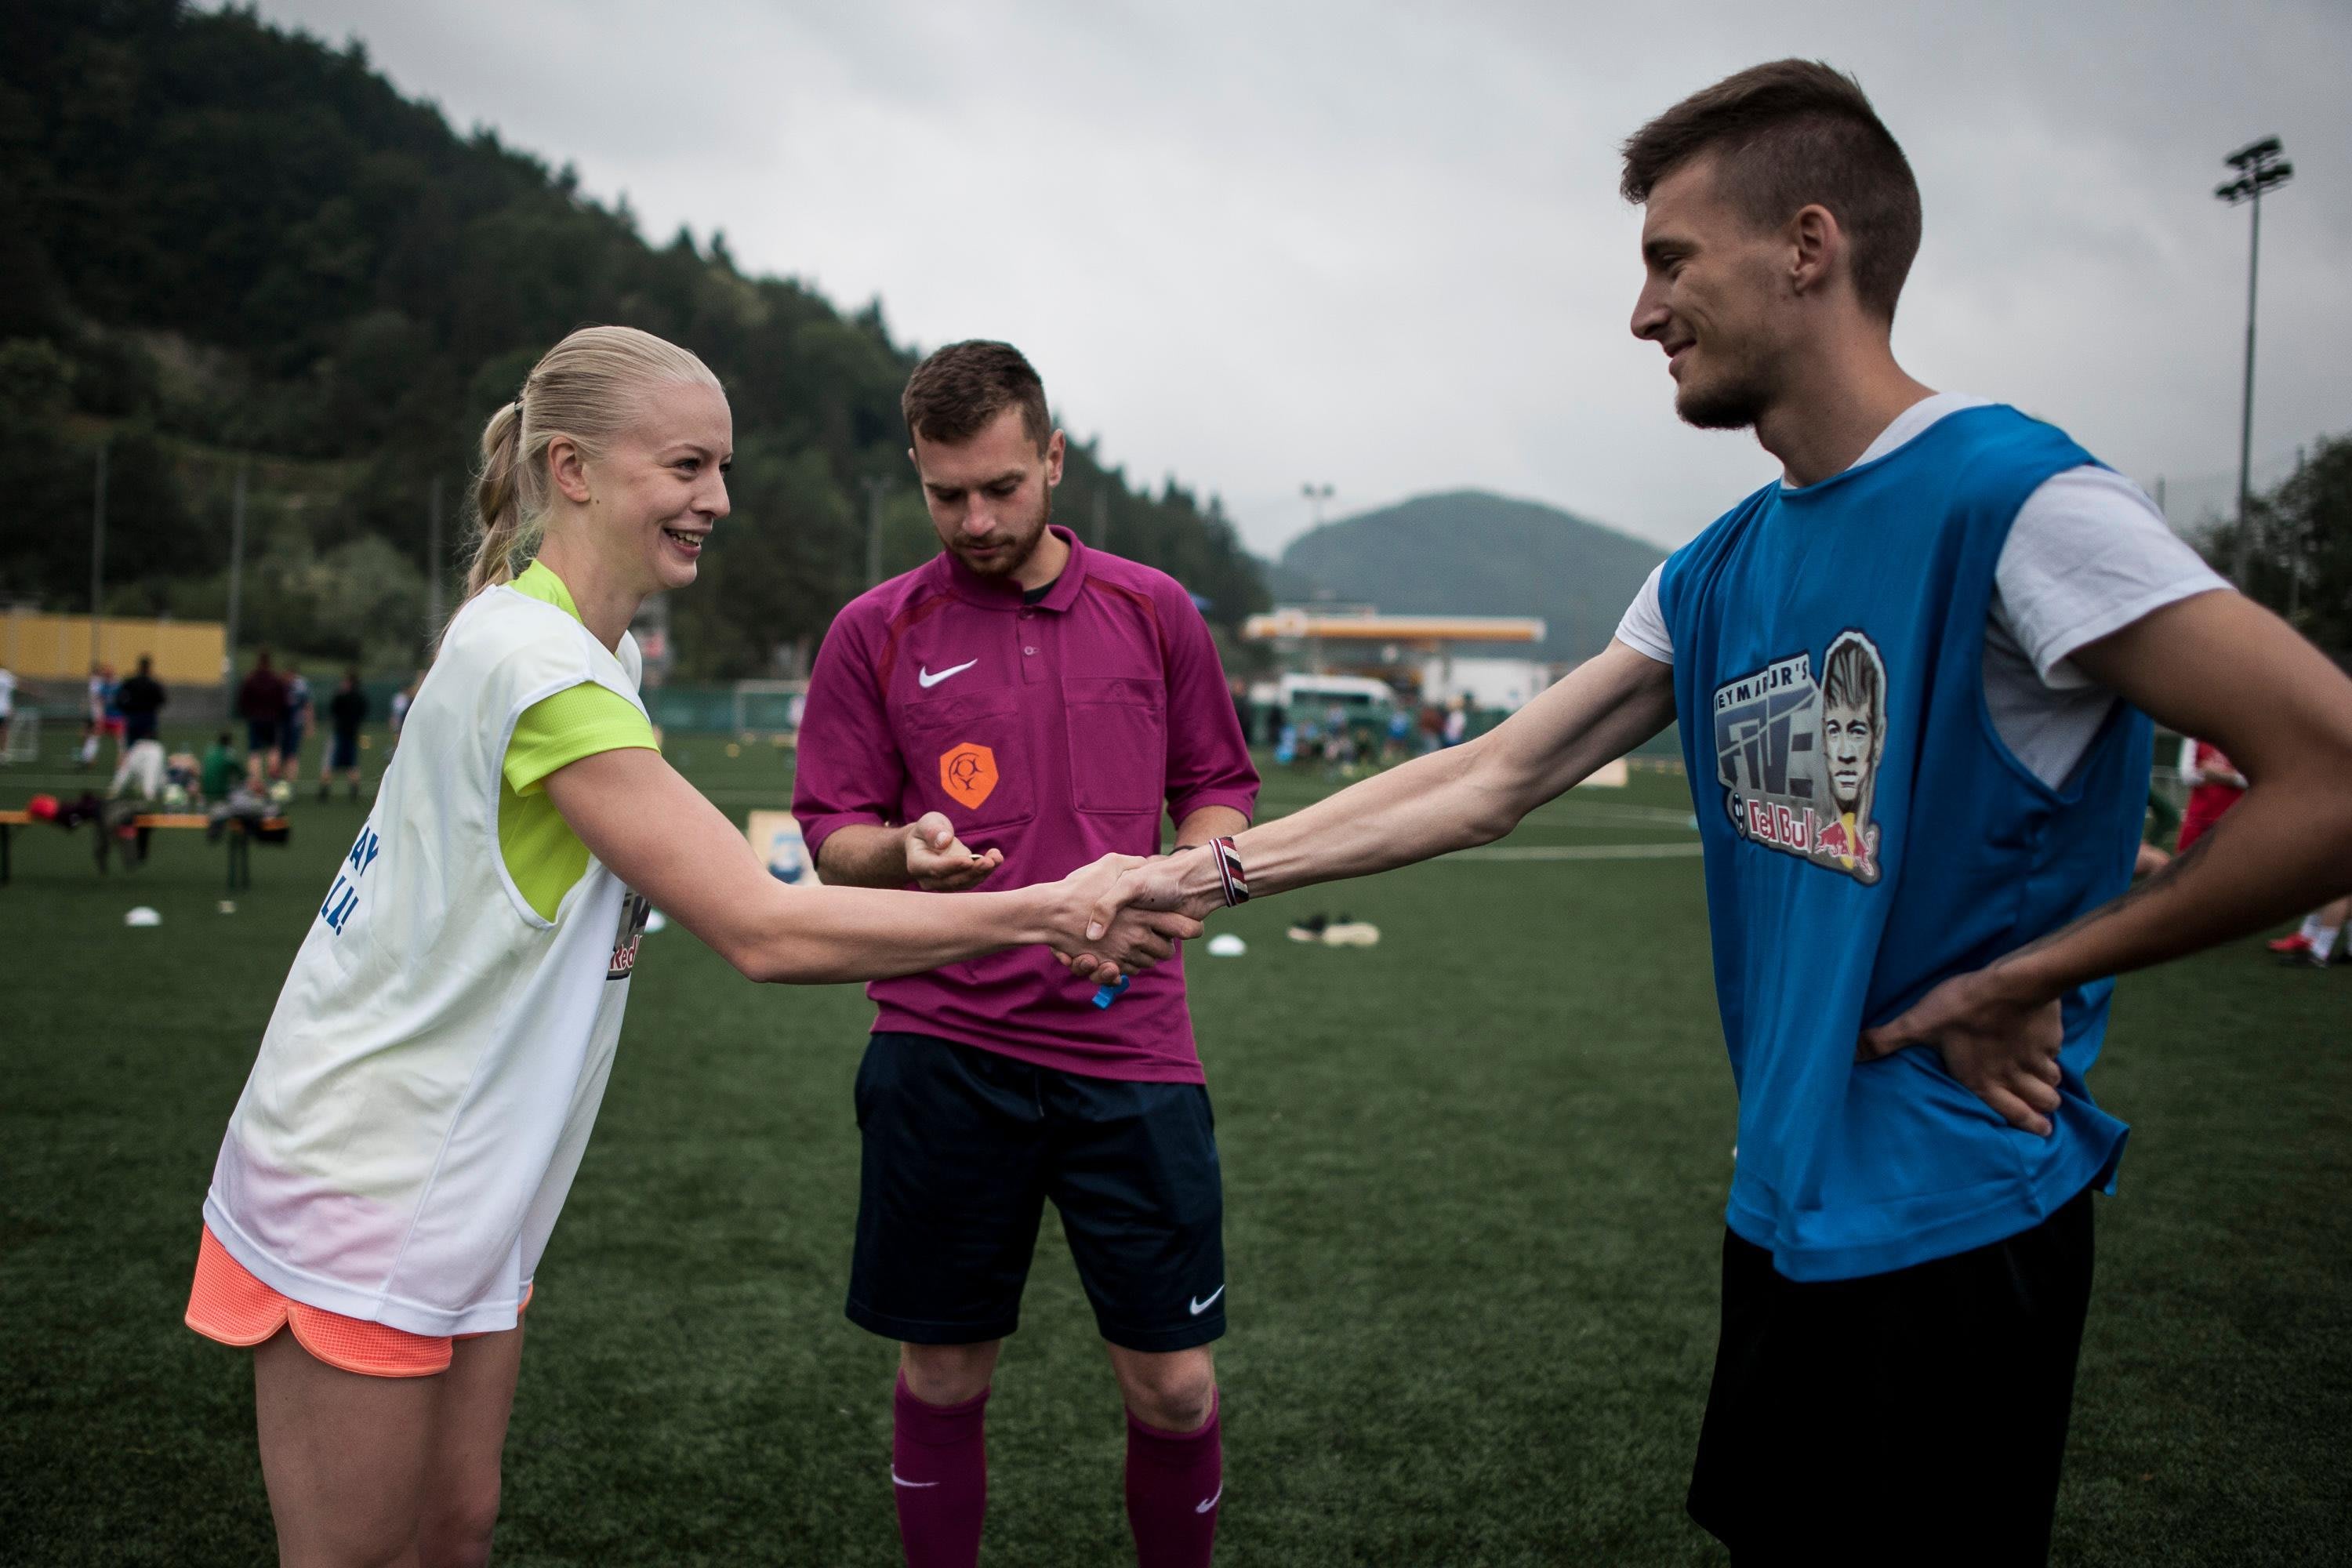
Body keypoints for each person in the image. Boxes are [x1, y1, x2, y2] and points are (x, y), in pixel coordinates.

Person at [1081, 61, 2352, 1564]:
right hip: (1784, 1200)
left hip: (1959, 1208)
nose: (1643, 314)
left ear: (1808, 247)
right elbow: (1491, 775)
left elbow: (2330, 772)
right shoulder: (1716, 566)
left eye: (1670, 261)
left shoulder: (2018, 501)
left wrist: (2040, 973)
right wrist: (1204, 875)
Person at [182, 325, 1196, 1568]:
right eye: (685, 466)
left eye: (721, 467)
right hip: (369, 1165)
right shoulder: (537, 667)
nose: (717, 498)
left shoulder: (585, 648)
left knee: (453, 1531)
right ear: (571, 469)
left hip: (471, 1175)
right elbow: (765, 928)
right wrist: (1050, 906)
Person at [793, 341, 1257, 1568]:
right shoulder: (874, 630)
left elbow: (1218, 789)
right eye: (946, 494)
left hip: (1134, 1048)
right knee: (944, 1376)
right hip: (943, 1048)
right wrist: (904, 850)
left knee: (1176, 1391)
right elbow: (832, 839)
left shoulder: (1154, 610)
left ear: (1053, 459)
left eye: (1002, 486)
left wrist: (1180, 888)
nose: (977, 520)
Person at [2174, 735, 2245, 852]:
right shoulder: (2195, 736)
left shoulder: (2244, 738)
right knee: (2188, 862)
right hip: (2197, 822)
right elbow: (2187, 775)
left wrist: (2213, 774)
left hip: (2232, 822)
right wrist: (2231, 776)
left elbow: (2250, 779)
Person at [238, 651, 285, 786]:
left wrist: (249, 713)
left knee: (254, 752)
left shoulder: (251, 678)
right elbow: (282, 701)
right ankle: (274, 780)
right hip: (272, 719)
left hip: (256, 718)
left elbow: (243, 700)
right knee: (273, 749)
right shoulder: (276, 679)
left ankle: (256, 783)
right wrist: (278, 714)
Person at [323, 668, 369, 800]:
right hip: (353, 733)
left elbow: (333, 711)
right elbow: (363, 713)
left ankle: (324, 790)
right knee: (352, 763)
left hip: (340, 733)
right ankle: (354, 791)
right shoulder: (361, 698)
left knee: (330, 762)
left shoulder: (341, 696)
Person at [279, 661, 314, 785]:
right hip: (283, 724)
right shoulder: (282, 684)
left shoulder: (301, 685)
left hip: (295, 724)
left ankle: (290, 781)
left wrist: (309, 725)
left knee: (292, 754)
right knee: (282, 753)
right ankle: (281, 780)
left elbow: (308, 705)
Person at [200, 731, 241, 808]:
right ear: (230, 742)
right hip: (221, 794)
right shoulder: (228, 754)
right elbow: (240, 773)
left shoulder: (210, 752)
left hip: (205, 794)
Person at [0, 660, 14, 760]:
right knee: (4, 731)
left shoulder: (6, 676)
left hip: (4, 709)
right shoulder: (6, 676)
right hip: (4, 709)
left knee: (4, 731)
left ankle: (4, 753)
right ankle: (4, 753)